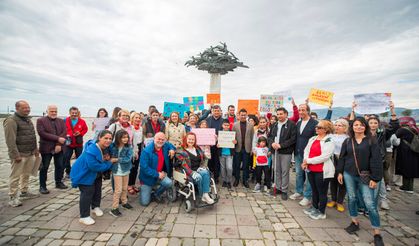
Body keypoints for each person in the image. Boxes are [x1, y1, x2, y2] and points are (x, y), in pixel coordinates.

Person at [336, 117, 384, 246]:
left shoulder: (371, 141)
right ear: (352, 127)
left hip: (366, 176)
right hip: (348, 174)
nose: (358, 127)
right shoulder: (347, 141)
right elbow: (342, 158)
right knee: (351, 198)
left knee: (370, 204)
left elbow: (376, 160)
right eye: (356, 125)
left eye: (361, 125)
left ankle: (377, 233)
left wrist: (375, 178)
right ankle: (354, 222)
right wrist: (340, 172)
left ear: (365, 127)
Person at [70, 130, 117, 225]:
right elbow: (94, 166)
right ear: (99, 138)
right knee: (87, 193)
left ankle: (95, 207)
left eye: (110, 139)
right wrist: (110, 163)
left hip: (96, 174)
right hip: (84, 174)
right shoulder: (91, 150)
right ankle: (84, 216)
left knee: (97, 190)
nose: (108, 141)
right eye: (106, 138)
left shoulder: (107, 147)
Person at [4, 100, 39, 207]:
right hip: (19, 154)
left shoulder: (28, 119)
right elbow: (10, 140)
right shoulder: (11, 120)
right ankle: (13, 196)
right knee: (15, 176)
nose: (27, 109)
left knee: (26, 173)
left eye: (28, 107)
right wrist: (15, 155)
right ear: (17, 108)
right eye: (24, 108)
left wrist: (35, 149)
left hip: (30, 152)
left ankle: (24, 191)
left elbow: (32, 136)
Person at [301, 120, 335, 220]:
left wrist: (308, 160)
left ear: (326, 130)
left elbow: (324, 156)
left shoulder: (329, 140)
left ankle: (321, 211)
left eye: (319, 127)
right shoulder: (313, 138)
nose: (317, 129)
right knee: (314, 190)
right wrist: (305, 161)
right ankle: (314, 207)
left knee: (322, 192)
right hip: (311, 168)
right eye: (316, 127)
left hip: (322, 170)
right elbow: (306, 150)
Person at [36, 105, 68, 194]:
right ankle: (42, 186)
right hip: (46, 147)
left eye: (55, 111)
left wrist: (58, 144)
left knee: (60, 165)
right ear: (47, 111)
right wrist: (57, 139)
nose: (54, 113)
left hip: (60, 147)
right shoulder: (41, 120)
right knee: (44, 167)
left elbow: (64, 132)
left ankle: (58, 182)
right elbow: (42, 133)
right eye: (52, 111)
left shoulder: (61, 121)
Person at [290, 104, 317, 206]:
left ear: (308, 111)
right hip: (297, 152)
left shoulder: (314, 123)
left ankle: (307, 196)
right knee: (298, 174)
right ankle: (298, 191)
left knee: (308, 175)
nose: (301, 112)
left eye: (303, 110)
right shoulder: (298, 123)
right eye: (300, 110)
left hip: (309, 155)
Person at [176, 132, 215, 204]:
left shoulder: (197, 148)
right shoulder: (181, 150)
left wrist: (203, 166)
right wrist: (191, 172)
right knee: (199, 177)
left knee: (205, 172)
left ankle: (205, 195)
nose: (191, 141)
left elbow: (205, 158)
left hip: (198, 169)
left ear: (195, 140)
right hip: (189, 172)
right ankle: (201, 195)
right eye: (189, 139)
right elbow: (183, 164)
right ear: (185, 139)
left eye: (192, 139)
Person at [139, 132, 175, 206]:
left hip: (159, 175)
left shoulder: (164, 146)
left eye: (163, 140)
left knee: (169, 183)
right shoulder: (146, 151)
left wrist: (172, 149)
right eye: (159, 139)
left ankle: (156, 194)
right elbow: (144, 168)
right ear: (154, 139)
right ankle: (146, 189)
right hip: (147, 179)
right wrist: (157, 174)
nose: (161, 141)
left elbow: (170, 145)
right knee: (144, 203)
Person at [269, 107, 297, 200]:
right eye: (278, 114)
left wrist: (281, 145)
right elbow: (270, 137)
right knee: (276, 170)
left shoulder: (291, 125)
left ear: (286, 114)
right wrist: (272, 143)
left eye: (281, 114)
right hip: (275, 151)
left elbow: (292, 139)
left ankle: (284, 190)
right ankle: (277, 188)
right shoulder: (274, 124)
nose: (279, 116)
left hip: (285, 152)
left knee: (285, 171)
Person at [109, 130, 134, 217]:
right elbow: (108, 153)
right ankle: (114, 208)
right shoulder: (113, 146)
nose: (125, 139)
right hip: (116, 171)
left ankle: (124, 202)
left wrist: (116, 159)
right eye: (123, 137)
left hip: (126, 169)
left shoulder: (129, 147)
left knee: (124, 188)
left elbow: (128, 158)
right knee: (118, 190)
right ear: (118, 138)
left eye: (126, 137)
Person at [327, 119, 349, 212]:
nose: (337, 127)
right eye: (336, 125)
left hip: (343, 159)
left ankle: (340, 202)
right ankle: (333, 200)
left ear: (345, 128)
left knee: (341, 181)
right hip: (332, 159)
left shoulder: (347, 138)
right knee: (333, 180)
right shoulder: (330, 136)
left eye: (340, 125)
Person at [394, 116, 419, 194]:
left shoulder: (401, 130)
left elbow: (394, 138)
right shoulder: (415, 129)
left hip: (405, 153)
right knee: (411, 170)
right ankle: (410, 188)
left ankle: (405, 188)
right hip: (414, 152)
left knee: (405, 169)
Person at [63, 106, 88, 178]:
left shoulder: (82, 121)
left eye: (75, 113)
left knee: (79, 158)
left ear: (78, 113)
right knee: (66, 157)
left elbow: (85, 129)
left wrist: (80, 133)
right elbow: (61, 130)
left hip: (78, 143)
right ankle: (68, 171)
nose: (74, 114)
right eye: (72, 113)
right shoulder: (65, 120)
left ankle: (78, 172)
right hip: (68, 142)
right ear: (69, 113)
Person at [232, 108, 254, 188]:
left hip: (247, 148)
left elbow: (252, 138)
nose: (243, 116)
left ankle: (245, 180)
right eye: (242, 115)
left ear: (246, 115)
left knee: (245, 166)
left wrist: (252, 149)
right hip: (238, 148)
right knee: (237, 165)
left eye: (245, 115)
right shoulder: (235, 125)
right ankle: (237, 179)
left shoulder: (251, 125)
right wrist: (233, 141)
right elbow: (232, 136)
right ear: (239, 115)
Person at [205, 105, 224, 183]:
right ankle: (209, 176)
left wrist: (219, 138)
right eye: (214, 111)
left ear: (220, 111)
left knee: (217, 161)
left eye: (218, 111)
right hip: (209, 145)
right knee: (209, 161)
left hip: (219, 145)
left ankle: (216, 177)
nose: (216, 112)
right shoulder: (207, 120)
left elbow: (226, 132)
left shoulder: (224, 120)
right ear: (212, 111)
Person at [217, 119, 236, 189]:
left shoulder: (232, 133)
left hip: (229, 154)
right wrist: (217, 144)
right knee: (222, 168)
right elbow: (216, 142)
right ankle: (224, 181)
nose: (226, 126)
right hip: (221, 153)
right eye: (225, 125)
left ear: (229, 126)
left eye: (228, 125)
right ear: (222, 125)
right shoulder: (219, 133)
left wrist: (235, 142)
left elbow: (235, 143)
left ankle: (229, 181)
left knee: (229, 168)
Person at [129, 112, 143, 195]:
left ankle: (133, 184)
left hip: (139, 148)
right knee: (130, 167)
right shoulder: (130, 128)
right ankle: (128, 185)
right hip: (132, 148)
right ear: (132, 118)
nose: (137, 119)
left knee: (136, 167)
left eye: (139, 118)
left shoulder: (141, 128)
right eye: (136, 118)